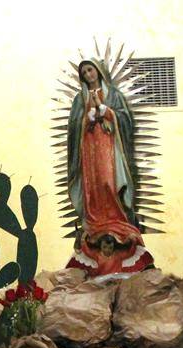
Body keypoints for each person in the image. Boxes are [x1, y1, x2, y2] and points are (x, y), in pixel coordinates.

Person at [64, 58, 153, 277]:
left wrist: (107, 111)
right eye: (84, 72)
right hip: (89, 152)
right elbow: (74, 128)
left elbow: (125, 120)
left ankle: (118, 221)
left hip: (110, 150)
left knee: (108, 183)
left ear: (98, 71)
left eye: (90, 70)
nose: (88, 74)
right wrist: (87, 118)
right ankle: (95, 224)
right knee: (93, 187)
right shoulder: (79, 99)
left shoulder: (113, 95)